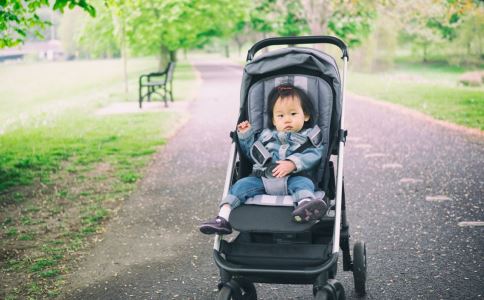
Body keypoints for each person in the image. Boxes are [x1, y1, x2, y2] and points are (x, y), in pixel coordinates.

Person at [199, 84, 328, 235]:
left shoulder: (309, 136)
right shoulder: (265, 136)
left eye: (293, 114)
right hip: (262, 180)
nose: (287, 120)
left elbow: (314, 154)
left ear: (305, 116)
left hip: (294, 177)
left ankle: (305, 206)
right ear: (273, 120)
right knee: (240, 185)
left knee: (304, 184)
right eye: (280, 116)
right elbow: (252, 153)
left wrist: (293, 163)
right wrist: (246, 135)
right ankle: (223, 218)